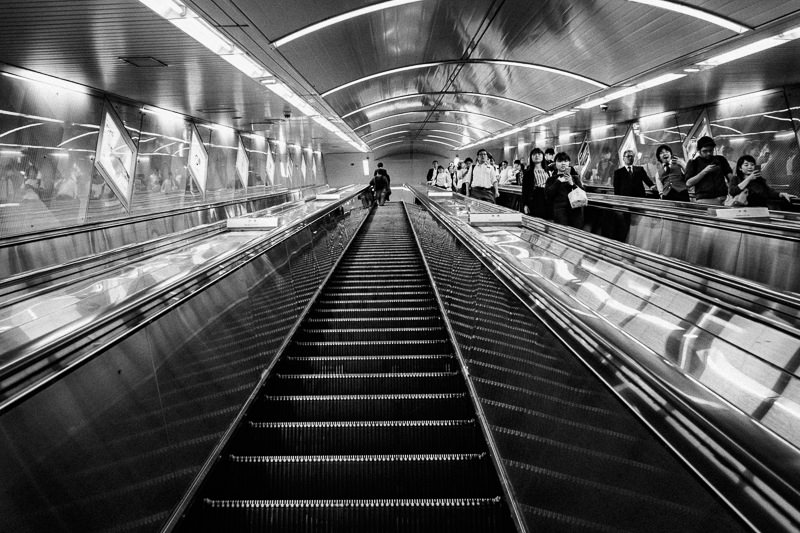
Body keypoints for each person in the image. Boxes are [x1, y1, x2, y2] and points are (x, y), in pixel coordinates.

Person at [729, 154, 795, 208]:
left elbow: (768, 192)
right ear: (740, 168)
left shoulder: (759, 179)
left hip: (760, 210)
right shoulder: (735, 179)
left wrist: (781, 194)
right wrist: (749, 178)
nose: (750, 167)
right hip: (743, 211)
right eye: (746, 165)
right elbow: (733, 191)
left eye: (752, 165)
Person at [685, 136, 731, 205]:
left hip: (723, 197)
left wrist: (731, 190)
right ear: (698, 150)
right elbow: (688, 183)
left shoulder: (720, 159)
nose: (708, 153)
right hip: (705, 199)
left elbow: (730, 177)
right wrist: (705, 171)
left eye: (711, 150)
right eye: (705, 151)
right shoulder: (693, 163)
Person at [545, 152, 584, 228]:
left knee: (575, 233)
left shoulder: (575, 178)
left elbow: (582, 193)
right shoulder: (551, 179)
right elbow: (548, 195)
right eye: (560, 161)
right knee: (562, 232)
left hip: (576, 211)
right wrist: (558, 182)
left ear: (569, 163)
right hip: (560, 212)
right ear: (555, 163)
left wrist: (572, 183)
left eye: (565, 161)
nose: (563, 163)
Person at [521, 148, 550, 218]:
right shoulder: (528, 173)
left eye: (539, 154)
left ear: (543, 156)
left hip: (547, 198)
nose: (537, 156)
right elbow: (525, 190)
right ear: (531, 157)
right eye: (534, 154)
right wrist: (525, 204)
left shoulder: (547, 171)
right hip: (535, 199)